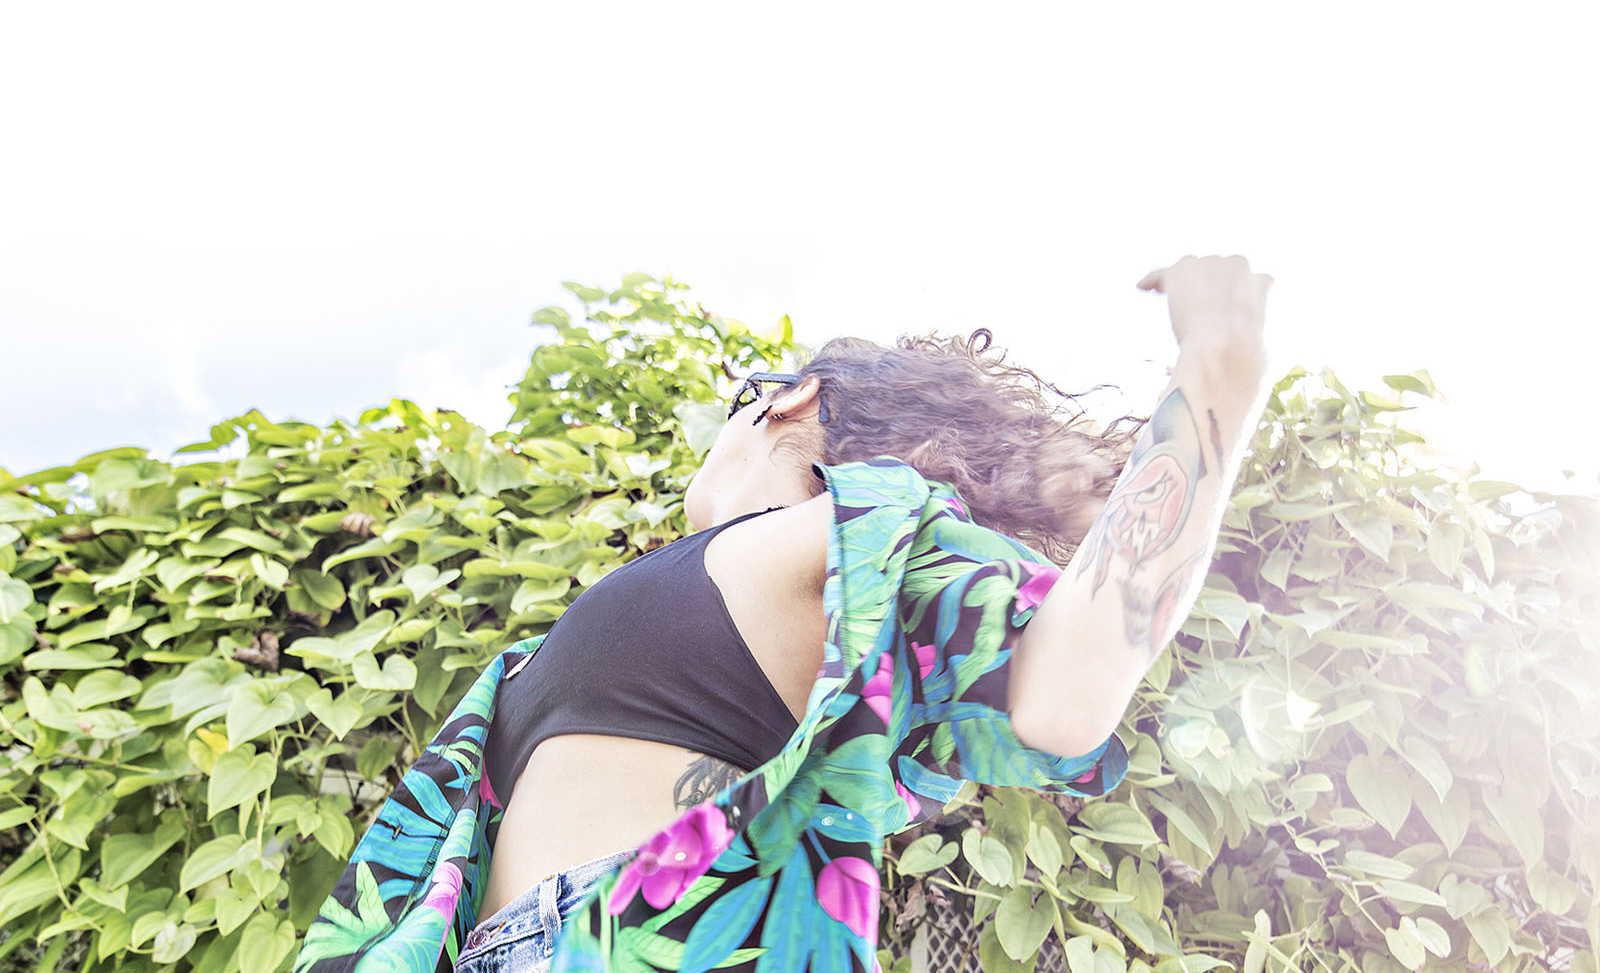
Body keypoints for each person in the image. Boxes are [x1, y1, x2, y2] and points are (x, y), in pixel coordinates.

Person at [294, 254, 1274, 973]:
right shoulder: (792, 584)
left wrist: (1220, 362)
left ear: (788, 401)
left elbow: (1067, 690)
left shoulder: (853, 526)